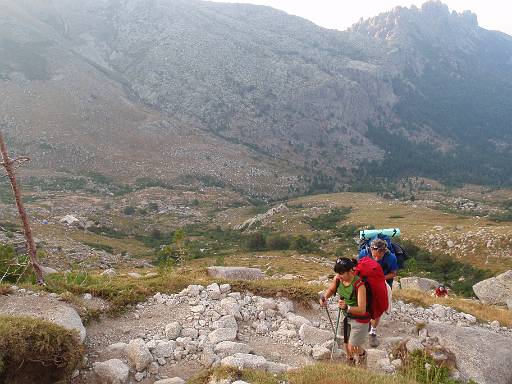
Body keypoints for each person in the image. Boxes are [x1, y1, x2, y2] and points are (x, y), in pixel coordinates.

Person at [320, 257, 369, 365]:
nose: (339, 276)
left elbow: (362, 310)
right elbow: (332, 289)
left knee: (353, 346)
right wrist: (325, 297)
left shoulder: (359, 285)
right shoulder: (338, 278)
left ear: (351, 271)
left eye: (342, 273)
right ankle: (350, 362)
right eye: (338, 273)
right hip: (345, 315)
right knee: (345, 343)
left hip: (359, 319)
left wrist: (347, 307)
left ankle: (362, 359)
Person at [358, 238, 397, 346]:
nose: (376, 259)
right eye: (374, 256)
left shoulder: (391, 258)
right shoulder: (364, 253)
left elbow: (393, 273)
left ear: (384, 252)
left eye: (379, 257)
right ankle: (364, 321)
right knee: (365, 303)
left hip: (382, 282)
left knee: (378, 307)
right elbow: (359, 268)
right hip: (367, 281)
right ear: (370, 250)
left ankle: (372, 332)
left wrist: (380, 277)